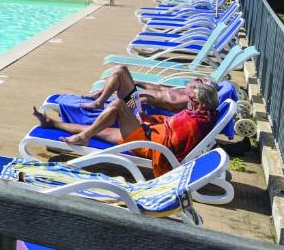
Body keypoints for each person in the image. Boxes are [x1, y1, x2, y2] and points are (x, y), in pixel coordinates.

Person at [30, 81, 218, 176]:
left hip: (150, 144)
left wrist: (149, 127)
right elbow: (169, 127)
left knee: (119, 105)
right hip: (149, 135)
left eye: (191, 99)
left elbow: (172, 144)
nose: (189, 102)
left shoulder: (195, 123)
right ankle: (52, 124)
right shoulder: (201, 115)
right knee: (99, 131)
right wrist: (151, 123)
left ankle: (83, 136)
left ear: (201, 102)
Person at [82, 66, 211, 111]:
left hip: (135, 103)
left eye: (198, 81)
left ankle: (99, 102)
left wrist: (141, 100)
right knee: (121, 69)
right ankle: (100, 94)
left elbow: (167, 105)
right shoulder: (181, 90)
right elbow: (158, 87)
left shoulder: (185, 99)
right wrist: (137, 82)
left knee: (119, 72)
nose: (194, 81)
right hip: (137, 96)